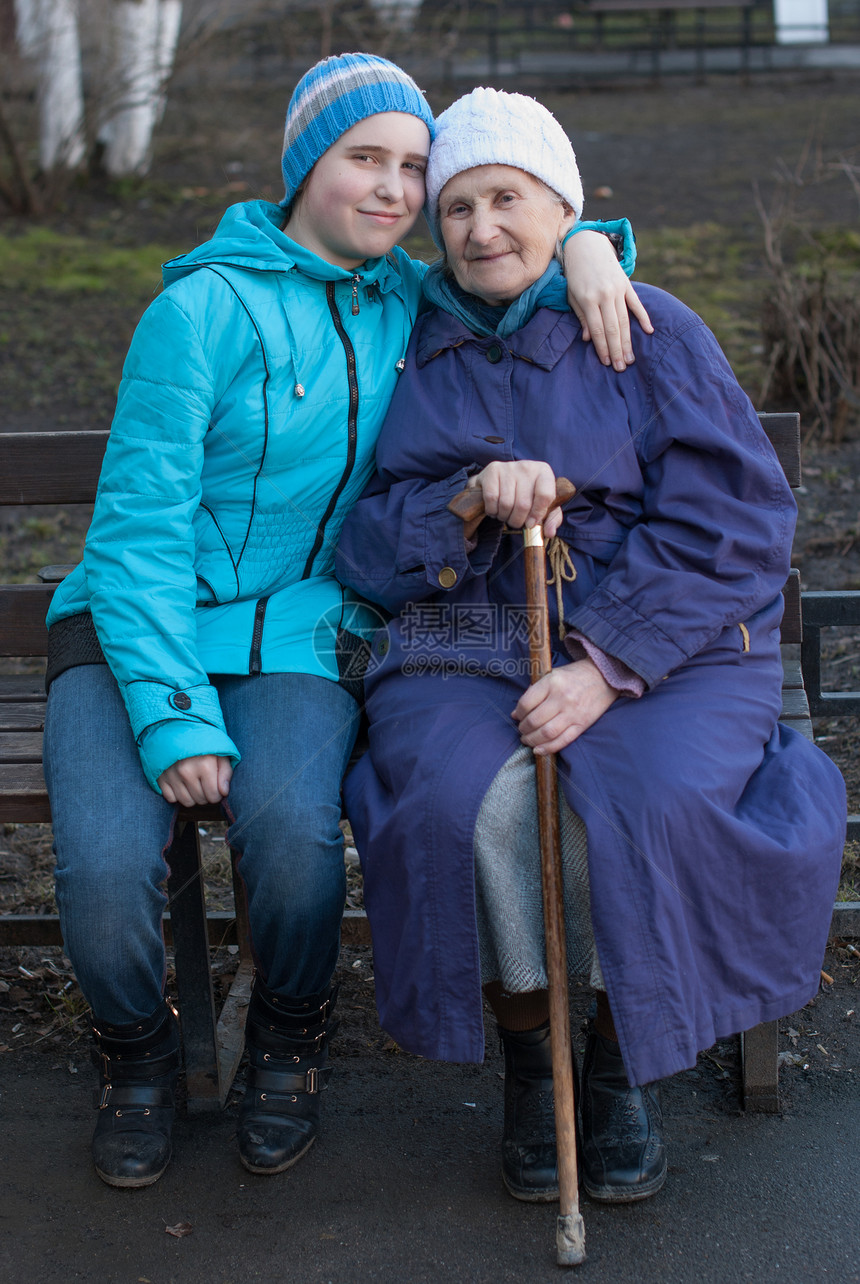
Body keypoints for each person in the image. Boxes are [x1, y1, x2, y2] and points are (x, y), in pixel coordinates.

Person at [42, 56, 646, 1190]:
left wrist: (587, 245)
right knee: (106, 869)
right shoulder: (197, 311)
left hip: (302, 629)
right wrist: (173, 721)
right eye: (363, 161)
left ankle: (288, 1036)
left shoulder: (403, 299)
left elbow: (512, 248)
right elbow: (135, 539)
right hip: (136, 627)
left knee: (292, 837)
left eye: (413, 169)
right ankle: (133, 1054)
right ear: (301, 169)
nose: (394, 191)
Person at [335, 87, 847, 1206]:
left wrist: (607, 665)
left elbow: (734, 522)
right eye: (457, 207)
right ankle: (533, 1060)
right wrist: (464, 502)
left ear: (561, 210)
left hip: (671, 639)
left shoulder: (639, 322)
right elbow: (361, 545)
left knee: (640, 796)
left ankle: (615, 1064)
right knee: (468, 804)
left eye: (505, 199)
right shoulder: (406, 345)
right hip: (463, 636)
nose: (477, 229)